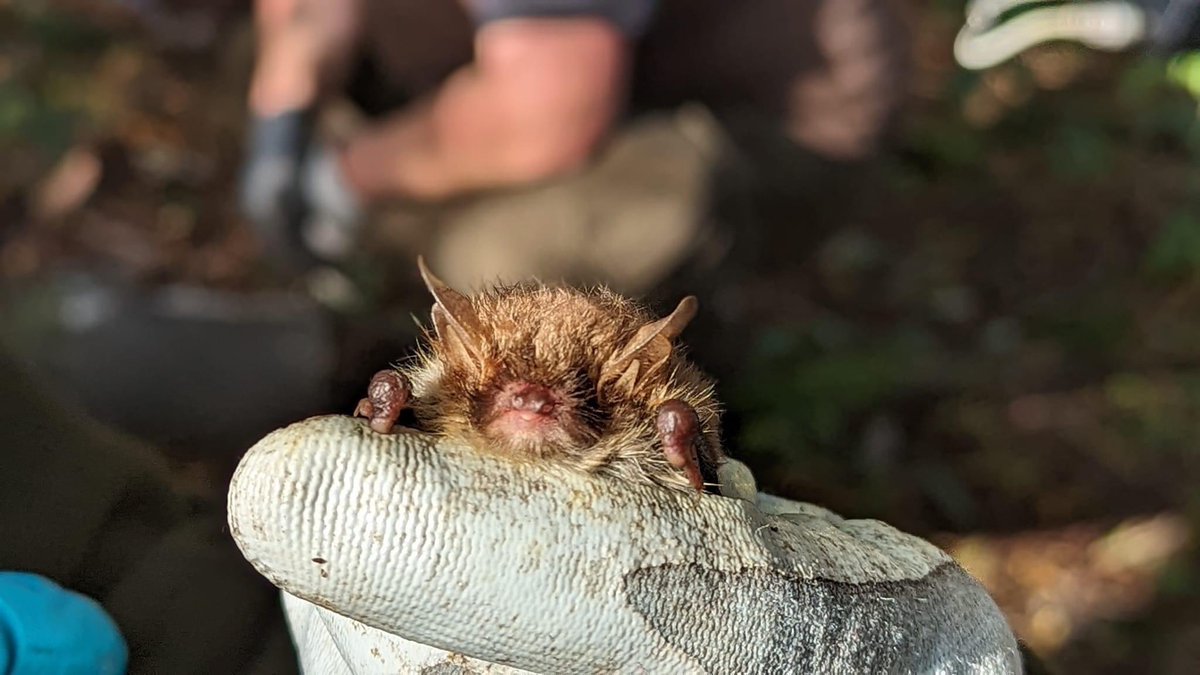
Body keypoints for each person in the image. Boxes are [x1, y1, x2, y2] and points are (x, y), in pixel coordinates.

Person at [239, 0, 911, 287]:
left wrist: (347, 179)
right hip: (580, 58)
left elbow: (550, 108)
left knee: (499, 265)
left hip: (767, 124)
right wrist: (284, 110)